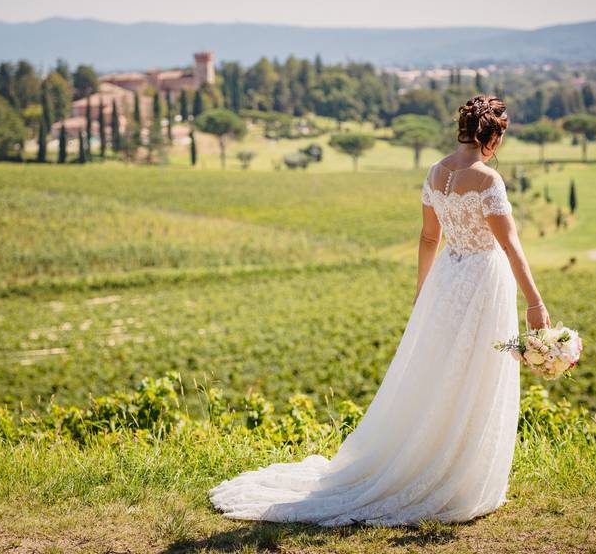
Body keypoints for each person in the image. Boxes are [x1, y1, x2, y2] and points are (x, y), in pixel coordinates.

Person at [209, 95, 550, 526]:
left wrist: (423, 293)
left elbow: (429, 240)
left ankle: (432, 460)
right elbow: (509, 245)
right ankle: (457, 477)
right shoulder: (487, 181)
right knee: (474, 373)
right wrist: (535, 303)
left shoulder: (436, 172)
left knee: (438, 373)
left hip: (446, 279)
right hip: (483, 282)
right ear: (494, 134)